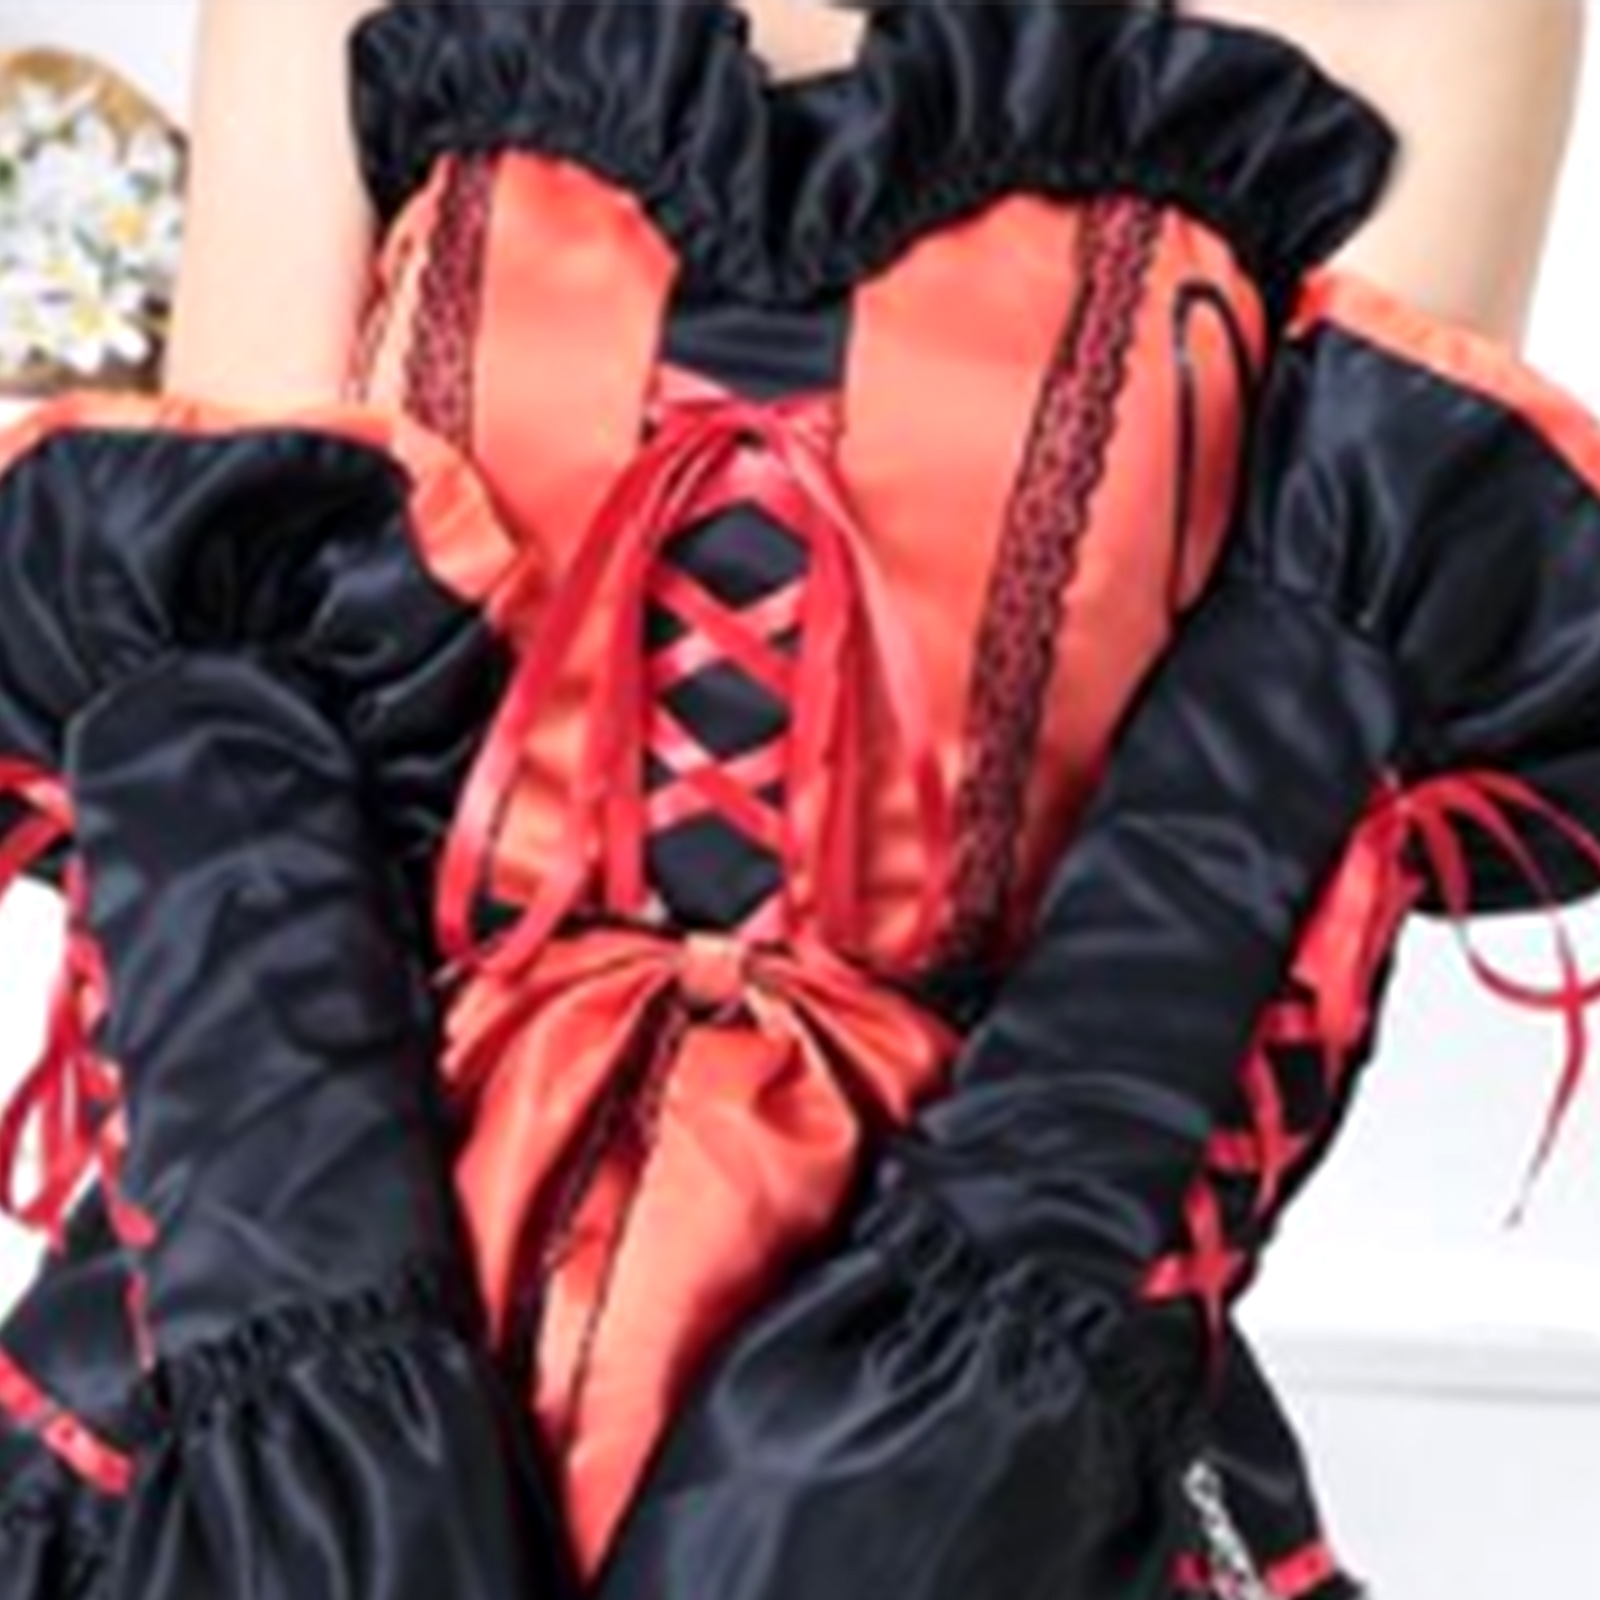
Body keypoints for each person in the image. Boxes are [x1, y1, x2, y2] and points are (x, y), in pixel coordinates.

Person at [0, 3, 1597, 1597]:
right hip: (280, 1296)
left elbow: (1262, 806)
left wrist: (937, 1430)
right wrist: (308, 1420)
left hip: (994, 1374)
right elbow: (218, 719)